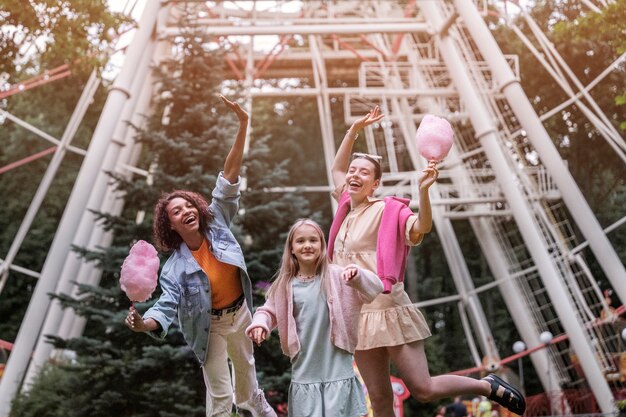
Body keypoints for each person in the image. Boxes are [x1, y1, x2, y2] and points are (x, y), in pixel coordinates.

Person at [327, 106, 526, 417]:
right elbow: (338, 169)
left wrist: (423, 192)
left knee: (423, 389)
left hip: (388, 308)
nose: (354, 175)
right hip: (357, 316)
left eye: (363, 172)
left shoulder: (387, 209)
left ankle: (486, 385)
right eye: (354, 171)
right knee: (379, 400)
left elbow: (420, 228)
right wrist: (354, 130)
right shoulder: (344, 207)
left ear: (375, 184)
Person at [124, 95, 277, 417]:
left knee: (247, 388)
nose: (186, 211)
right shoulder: (174, 268)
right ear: (172, 225)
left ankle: (261, 410)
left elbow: (229, 178)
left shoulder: (218, 221)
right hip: (208, 326)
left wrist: (244, 124)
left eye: (188, 205)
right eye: (177, 211)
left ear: (198, 208)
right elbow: (166, 308)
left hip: (241, 316)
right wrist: (142, 324)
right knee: (220, 395)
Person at [245, 219, 384, 417]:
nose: (307, 245)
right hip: (305, 370)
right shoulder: (285, 285)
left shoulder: (339, 277)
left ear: (322, 245)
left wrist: (358, 276)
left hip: (337, 368)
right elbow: (268, 311)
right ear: (291, 248)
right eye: (300, 241)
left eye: (313, 240)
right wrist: (260, 324)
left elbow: (374, 288)